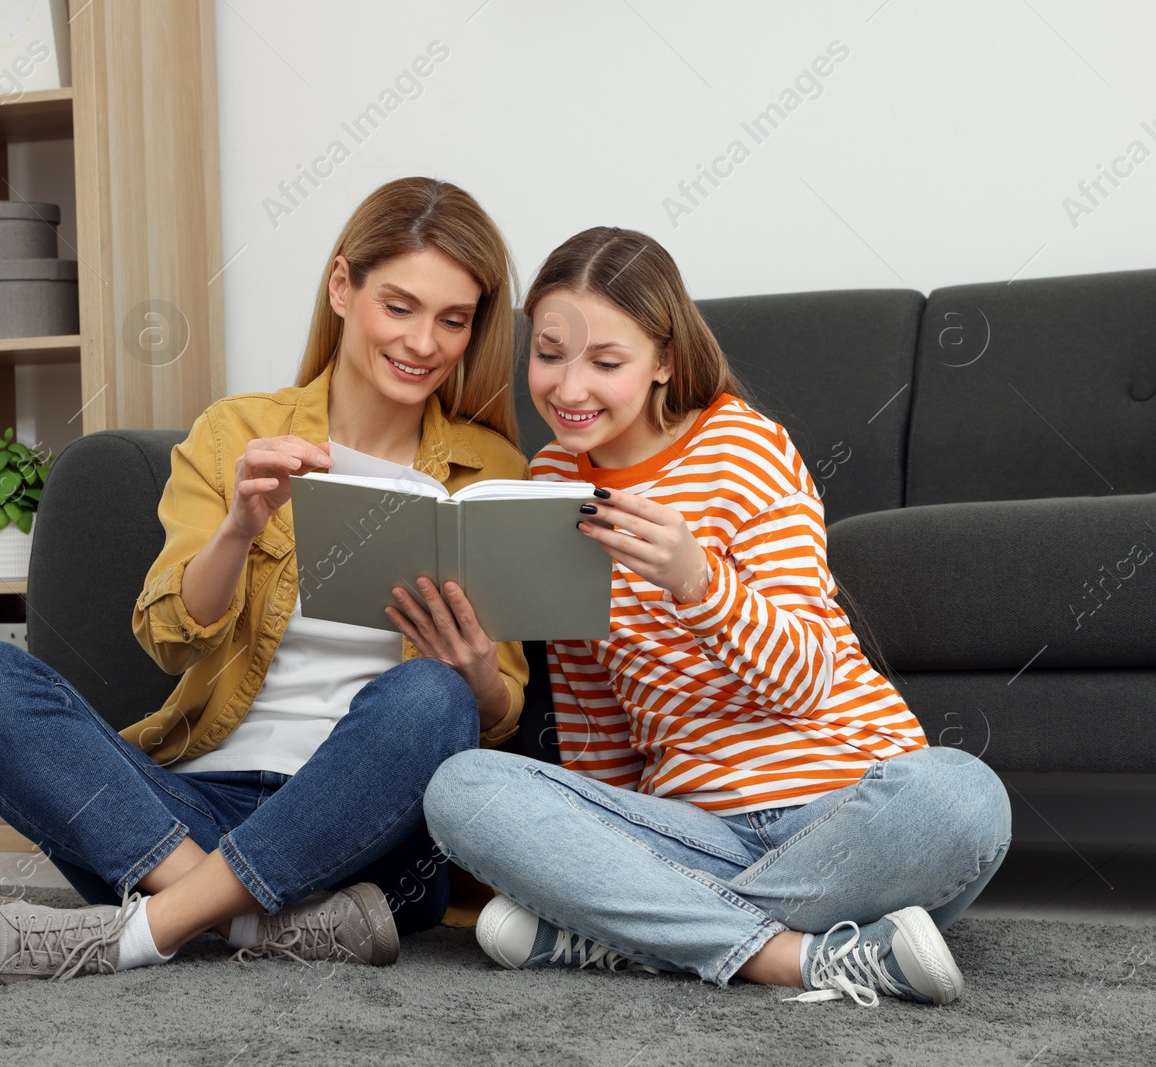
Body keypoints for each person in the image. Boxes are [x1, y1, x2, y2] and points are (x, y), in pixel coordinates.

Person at [0, 177, 531, 983]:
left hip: (368, 837)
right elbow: (169, 638)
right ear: (343, 286)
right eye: (400, 306)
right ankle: (255, 919)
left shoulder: (490, 467)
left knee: (433, 697)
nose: (424, 342)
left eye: (452, 320)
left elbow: (497, 719)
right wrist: (239, 528)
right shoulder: (237, 432)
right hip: (191, 812)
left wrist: (474, 673)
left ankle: (145, 930)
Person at [423, 226, 1012, 1007]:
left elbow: (807, 677)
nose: (568, 388)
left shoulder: (743, 447)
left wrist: (697, 582)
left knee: (964, 796)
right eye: (550, 353)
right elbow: (594, 711)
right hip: (691, 827)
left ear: (664, 359)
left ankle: (629, 934)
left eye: (606, 361)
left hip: (851, 803)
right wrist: (598, 836)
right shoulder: (554, 477)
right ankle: (797, 957)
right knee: (462, 787)